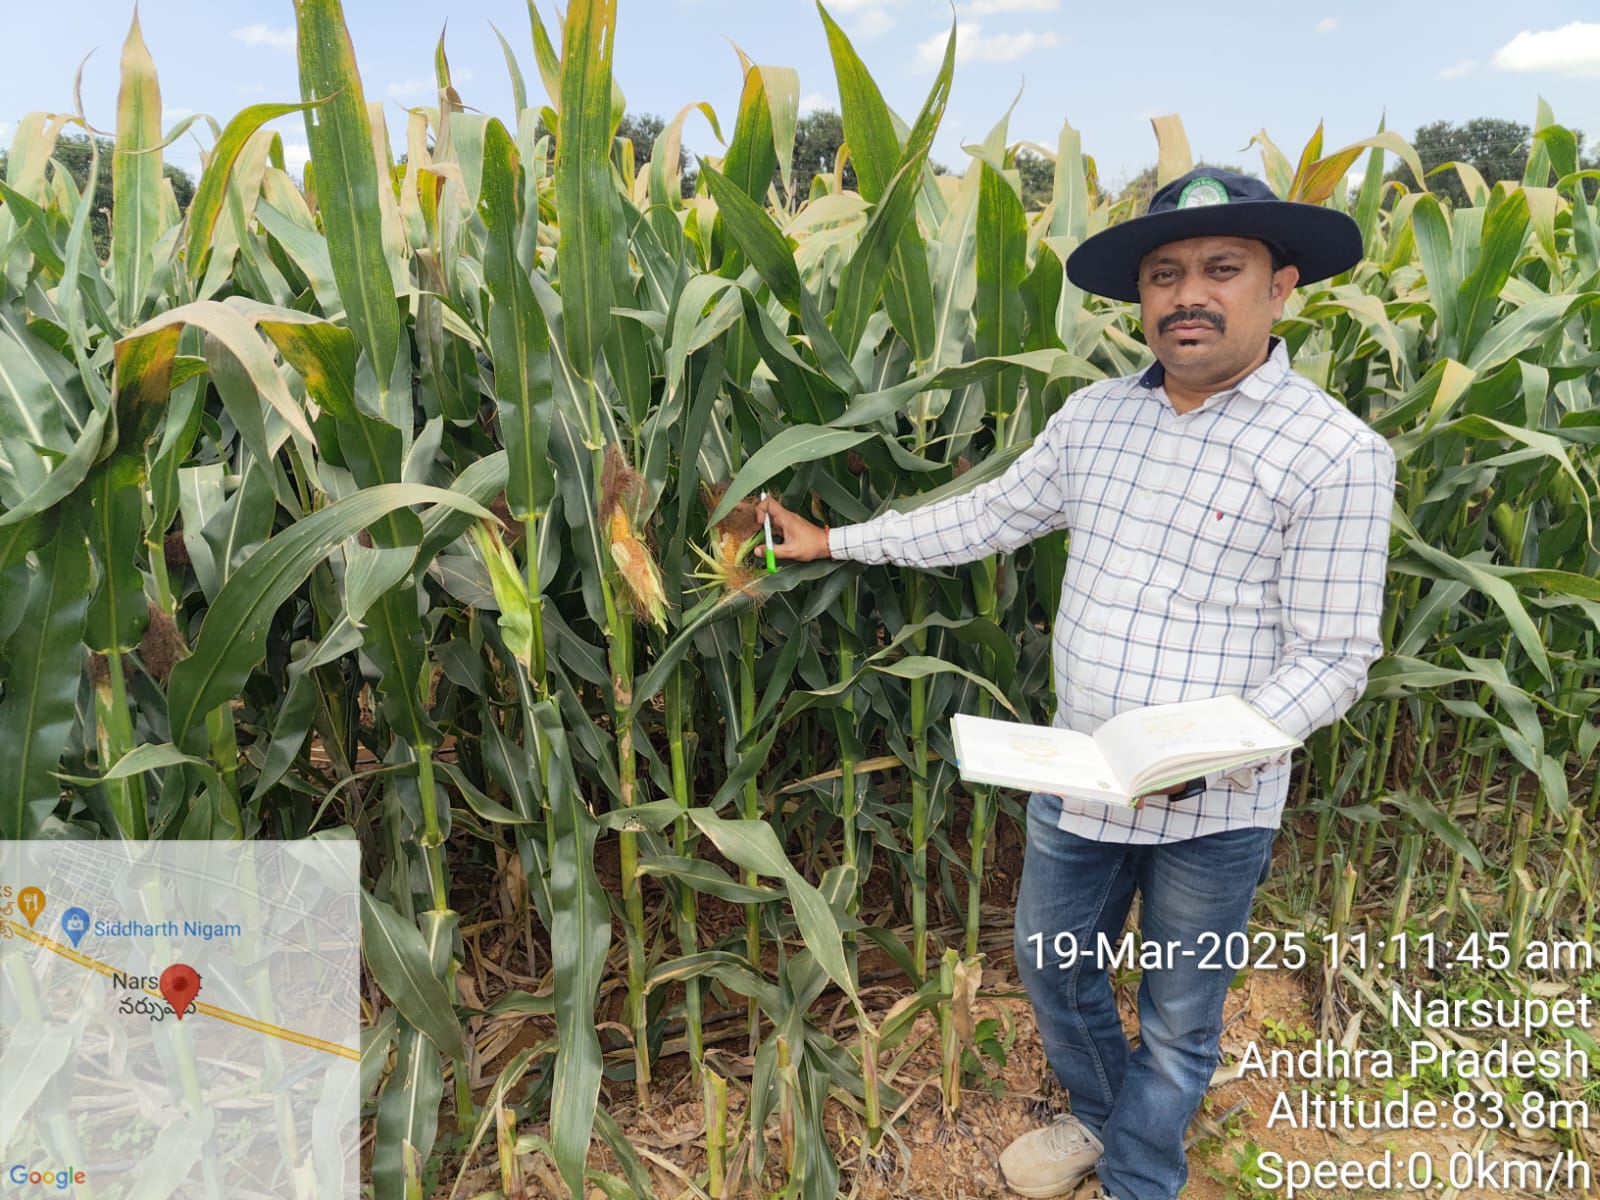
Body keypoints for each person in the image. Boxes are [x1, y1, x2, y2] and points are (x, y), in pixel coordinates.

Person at [755, 167, 1396, 1200]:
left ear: (1280, 286)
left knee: (1180, 1016)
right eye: (1164, 274)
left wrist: (1208, 754)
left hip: (1217, 806)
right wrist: (835, 541)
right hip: (1080, 780)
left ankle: (1141, 1176)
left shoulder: (1333, 453)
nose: (1188, 294)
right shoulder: (1094, 418)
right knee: (1054, 967)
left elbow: (1334, 655)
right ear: (1140, 296)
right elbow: (986, 516)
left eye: (1221, 269)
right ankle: (1101, 1117)